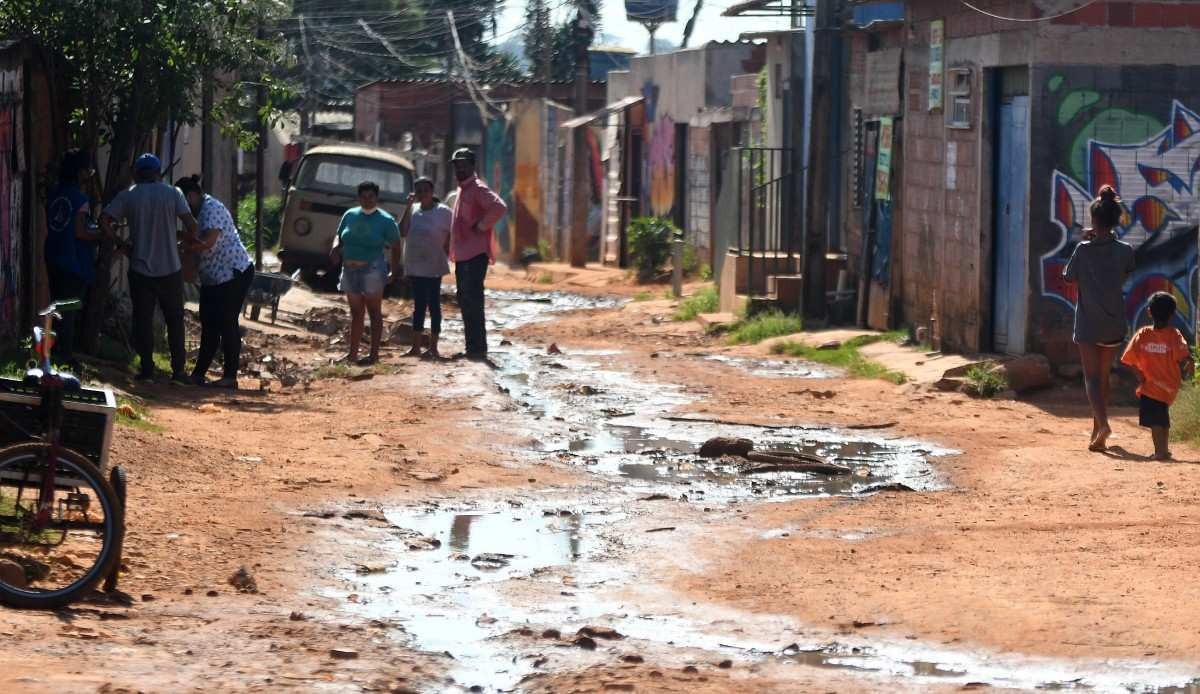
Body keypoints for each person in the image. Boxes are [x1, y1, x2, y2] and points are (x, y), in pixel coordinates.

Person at [102, 153, 199, 385]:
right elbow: (192, 225)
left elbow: (104, 220)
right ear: (158, 173)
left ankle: (147, 371)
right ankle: (178, 373)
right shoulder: (172, 193)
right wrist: (181, 245)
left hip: (140, 268)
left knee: (142, 319)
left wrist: (121, 243)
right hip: (170, 268)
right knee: (175, 320)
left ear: (137, 173)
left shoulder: (129, 196)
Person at [1062, 184, 1136, 452]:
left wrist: (1087, 240)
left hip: (1088, 323)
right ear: (1116, 220)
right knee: (1103, 378)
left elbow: (1068, 276)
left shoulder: (1083, 249)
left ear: (1093, 220)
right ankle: (1097, 434)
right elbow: (1124, 275)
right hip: (1114, 322)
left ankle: (1103, 424)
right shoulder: (1126, 250)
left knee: (1091, 379)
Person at [175, 175, 254, 388]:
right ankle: (199, 374)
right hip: (214, 277)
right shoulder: (198, 212)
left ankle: (230, 377)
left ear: (190, 196)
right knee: (209, 322)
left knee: (227, 322)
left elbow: (209, 242)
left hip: (233, 272)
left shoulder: (211, 209)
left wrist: (184, 247)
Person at [329, 181, 402, 365]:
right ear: (358, 197)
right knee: (356, 312)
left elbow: (396, 245)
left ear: (377, 197)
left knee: (374, 311)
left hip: (373, 268)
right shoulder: (350, 215)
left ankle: (374, 355)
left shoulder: (386, 220)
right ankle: (352, 354)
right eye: (363, 196)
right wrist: (336, 247)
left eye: (371, 196)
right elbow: (339, 235)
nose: (367, 200)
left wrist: (394, 269)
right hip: (349, 268)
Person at [44, 149, 100, 371]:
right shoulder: (80, 198)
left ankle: (55, 352)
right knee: (69, 309)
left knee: (57, 305)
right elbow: (81, 232)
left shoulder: (55, 193)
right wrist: (103, 235)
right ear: (80, 173)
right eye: (88, 171)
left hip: (53, 255)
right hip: (72, 261)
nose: (90, 175)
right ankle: (64, 356)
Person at [1120, 292, 1194, 460]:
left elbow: (1129, 359)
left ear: (1149, 312)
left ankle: (1159, 451)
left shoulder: (1143, 334)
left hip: (1151, 387)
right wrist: (1189, 365)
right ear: (1173, 314)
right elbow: (1184, 355)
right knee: (1163, 418)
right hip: (1169, 387)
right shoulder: (1174, 334)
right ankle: (1165, 449)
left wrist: (1140, 376)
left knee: (1155, 422)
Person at [448, 148, 507, 360]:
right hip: (464, 255)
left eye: (464, 164)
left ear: (472, 166)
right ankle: (473, 347)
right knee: (465, 300)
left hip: (475, 255)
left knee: (472, 300)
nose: (460, 168)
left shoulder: (478, 189)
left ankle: (477, 349)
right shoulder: (463, 189)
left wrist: (481, 226)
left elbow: (499, 207)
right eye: (457, 165)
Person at [401, 177, 452, 359]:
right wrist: (407, 207)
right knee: (419, 306)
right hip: (415, 265)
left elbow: (453, 233)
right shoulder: (413, 210)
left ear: (432, 192)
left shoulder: (443, 212)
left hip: (434, 266)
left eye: (425, 190)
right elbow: (402, 231)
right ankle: (415, 347)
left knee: (434, 306)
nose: (422, 194)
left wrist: (449, 250)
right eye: (419, 190)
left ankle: (434, 347)